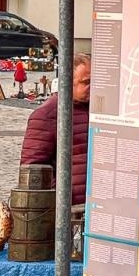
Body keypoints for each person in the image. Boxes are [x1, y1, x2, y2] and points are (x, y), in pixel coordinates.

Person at [20, 53, 91, 204]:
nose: (93, 87)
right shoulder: (47, 114)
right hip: (69, 208)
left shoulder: (99, 110)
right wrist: (60, 199)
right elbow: (34, 168)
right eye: (86, 82)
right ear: (68, 81)